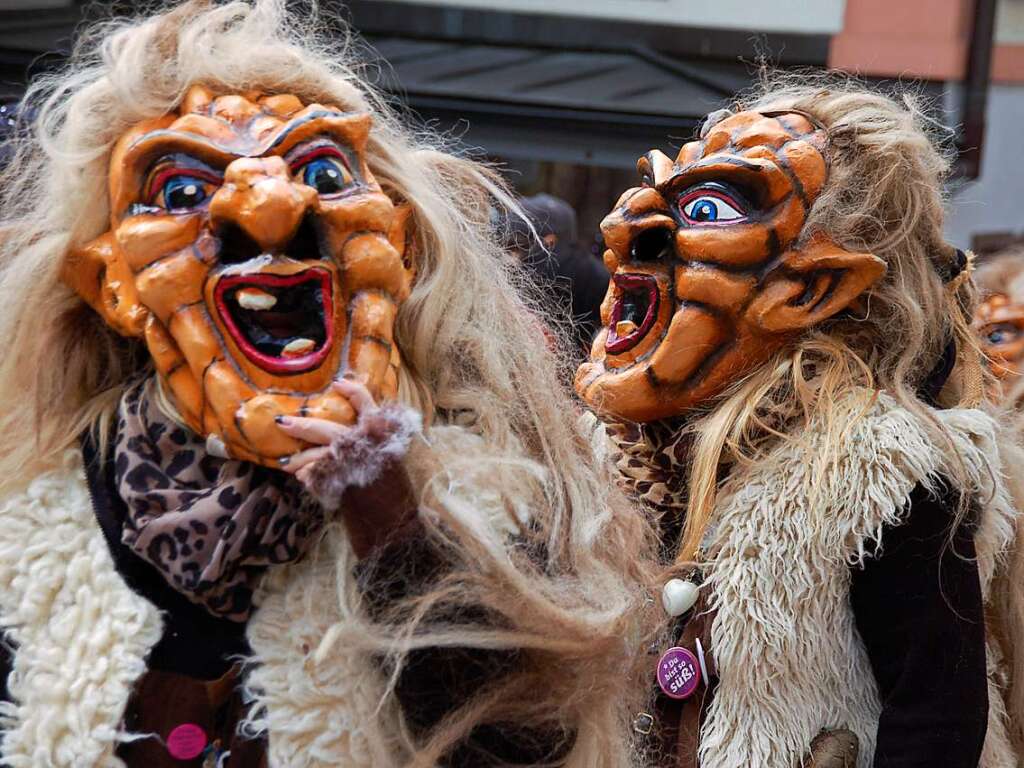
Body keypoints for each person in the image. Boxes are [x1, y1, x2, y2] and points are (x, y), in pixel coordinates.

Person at [0, 2, 655, 765]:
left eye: (319, 171)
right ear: (110, 282)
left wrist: (393, 521)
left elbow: (527, 739)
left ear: (400, 246)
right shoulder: (35, 510)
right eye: (180, 192)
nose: (272, 209)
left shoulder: (494, 491)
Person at [576, 79, 1024, 767]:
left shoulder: (879, 465)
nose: (626, 227)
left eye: (708, 206)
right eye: (661, 189)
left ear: (816, 287)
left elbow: (937, 711)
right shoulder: (609, 452)